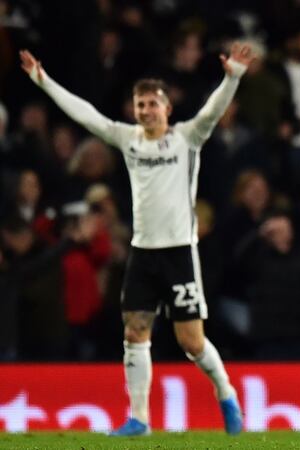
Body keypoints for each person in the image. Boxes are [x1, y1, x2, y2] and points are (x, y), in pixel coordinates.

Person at [20, 42, 255, 436]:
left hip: (179, 252)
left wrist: (232, 77)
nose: (145, 110)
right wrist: (43, 81)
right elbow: (86, 115)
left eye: (152, 104)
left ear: (167, 108)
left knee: (192, 343)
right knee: (134, 332)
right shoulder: (127, 139)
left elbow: (212, 112)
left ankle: (226, 393)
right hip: (143, 253)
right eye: (139, 104)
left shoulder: (186, 138)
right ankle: (139, 419)